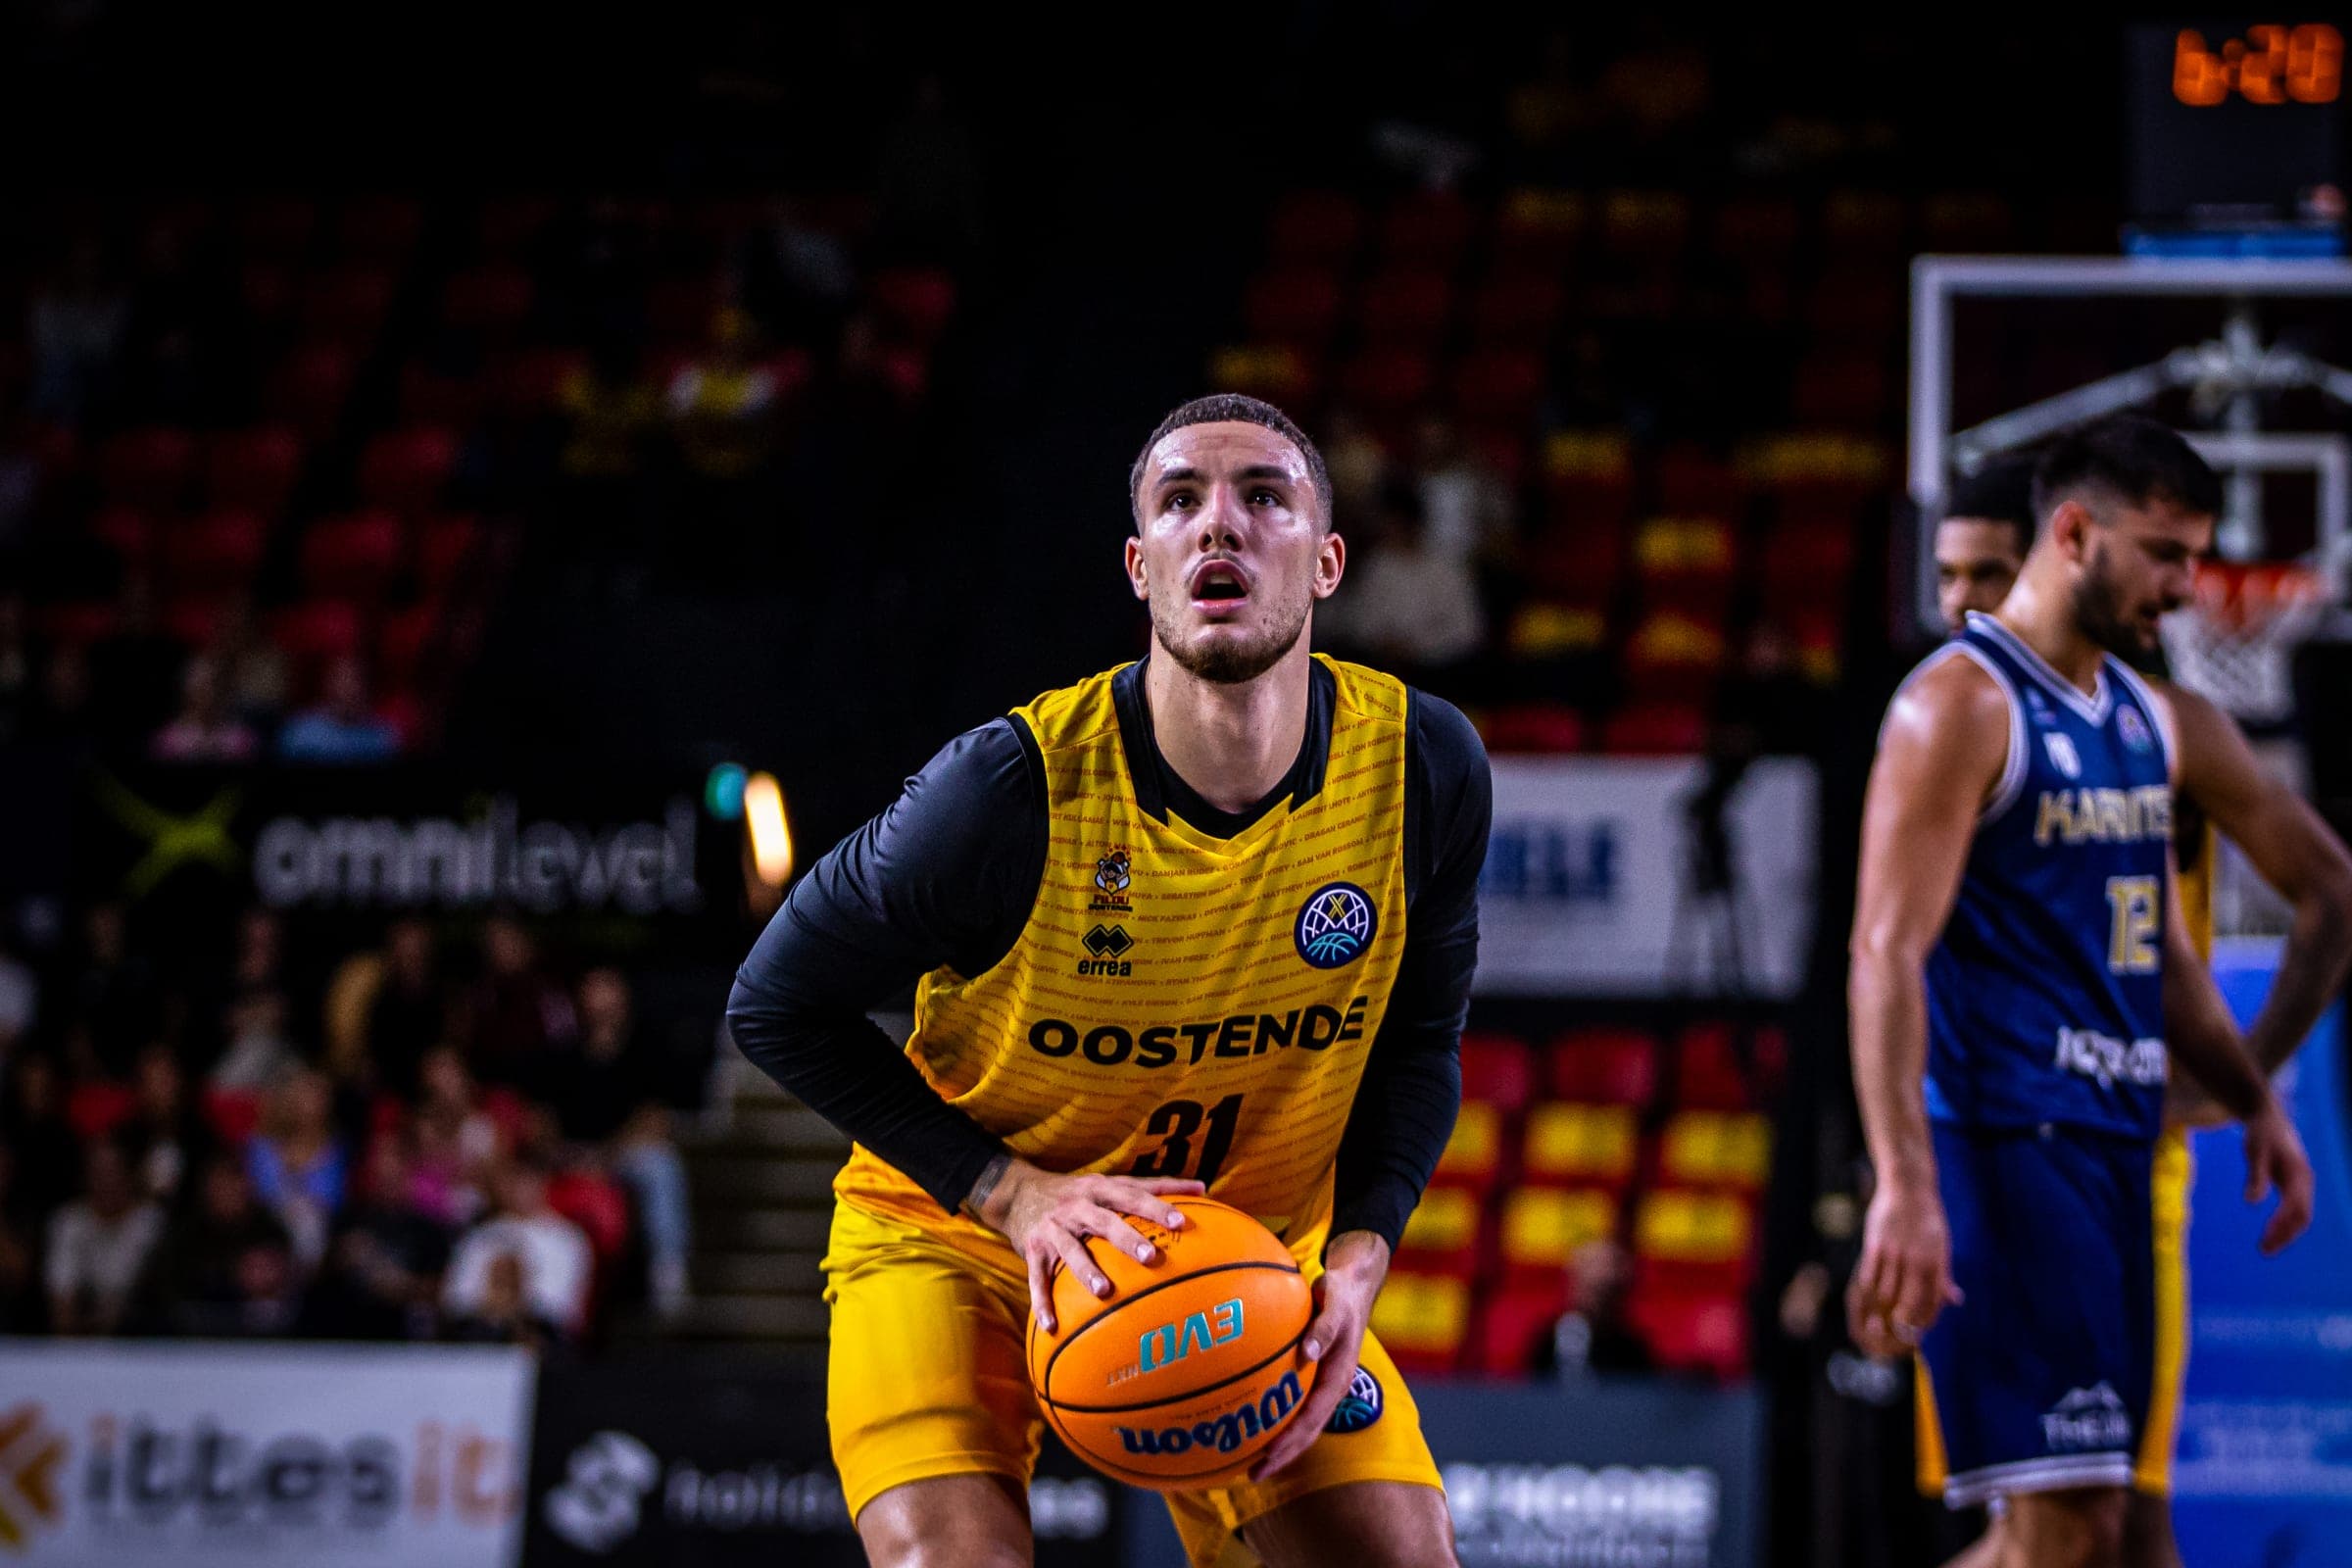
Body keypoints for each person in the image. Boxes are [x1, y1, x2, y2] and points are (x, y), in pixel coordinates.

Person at [727, 393, 1491, 1568]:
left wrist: (1360, 1250)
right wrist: (1010, 1193)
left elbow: (1420, 1044)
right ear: (1142, 569)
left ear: (1328, 562)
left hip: (1238, 1253)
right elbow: (773, 1003)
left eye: (1264, 497)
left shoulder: (1422, 764)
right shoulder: (1006, 790)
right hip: (962, 1238)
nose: (1219, 524)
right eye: (1180, 502)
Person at [1847, 416, 2317, 1568]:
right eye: (2163, 553)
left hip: (2111, 1153)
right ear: (2072, 533)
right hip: (2004, 1144)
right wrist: (1905, 1182)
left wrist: (2252, 1094)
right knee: (2069, 1529)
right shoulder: (1957, 705)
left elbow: (2159, 955)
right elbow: (1884, 951)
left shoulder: (2139, 719)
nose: (2186, 586)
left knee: (2090, 1533)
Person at [553, 967, 692, 1318]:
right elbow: (543, 1120)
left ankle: (668, 1269)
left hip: (622, 1156)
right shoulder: (565, 1054)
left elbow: (656, 1119)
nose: (602, 1000)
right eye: (594, 989)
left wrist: (606, 1155)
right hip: (572, 1157)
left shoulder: (647, 1049)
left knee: (661, 1165)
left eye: (609, 988)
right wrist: (564, 1153)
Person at [442, 1153, 594, 1342]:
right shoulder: (480, 1236)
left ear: (543, 1184)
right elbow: (457, 1300)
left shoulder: (566, 1238)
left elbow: (557, 1306)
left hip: (544, 1337)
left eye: (527, 1181)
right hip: (481, 1333)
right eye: (514, 1181)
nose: (520, 1189)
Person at [46, 1141, 165, 1336]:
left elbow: (150, 1294)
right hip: (75, 1335)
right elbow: (61, 1300)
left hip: (138, 1334)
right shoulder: (69, 1222)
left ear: (129, 1176)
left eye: (113, 1172)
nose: (107, 1182)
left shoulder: (150, 1225)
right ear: (86, 1178)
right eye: (99, 1174)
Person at [247, 1066, 350, 1269]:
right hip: (265, 1229)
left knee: (309, 1224)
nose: (317, 1102)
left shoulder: (338, 1148)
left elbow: (334, 1200)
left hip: (319, 1236)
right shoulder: (261, 1145)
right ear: (290, 1098)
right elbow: (257, 1194)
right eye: (308, 1094)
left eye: (322, 1095)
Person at [276, 653, 402, 762]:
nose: (349, 690)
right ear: (328, 686)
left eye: (355, 682)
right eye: (342, 682)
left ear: (365, 689)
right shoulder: (301, 733)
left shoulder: (382, 737)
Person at [151, 655, 259, 762]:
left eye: (214, 685)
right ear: (188, 690)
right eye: (202, 686)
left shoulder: (241, 741)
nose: (209, 693)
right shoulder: (169, 742)